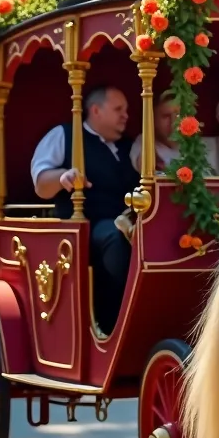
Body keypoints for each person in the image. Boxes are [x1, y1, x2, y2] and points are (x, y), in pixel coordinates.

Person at [30, 85, 139, 333]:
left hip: (130, 222)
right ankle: (113, 322)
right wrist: (62, 176)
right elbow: (41, 184)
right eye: (118, 109)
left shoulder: (129, 146)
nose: (125, 115)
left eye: (126, 110)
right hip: (86, 227)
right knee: (114, 236)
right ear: (96, 110)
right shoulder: (64, 135)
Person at [129, 91, 181, 174]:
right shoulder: (143, 141)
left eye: (178, 115)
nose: (174, 121)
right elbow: (146, 169)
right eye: (166, 116)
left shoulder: (196, 144)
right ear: (153, 119)